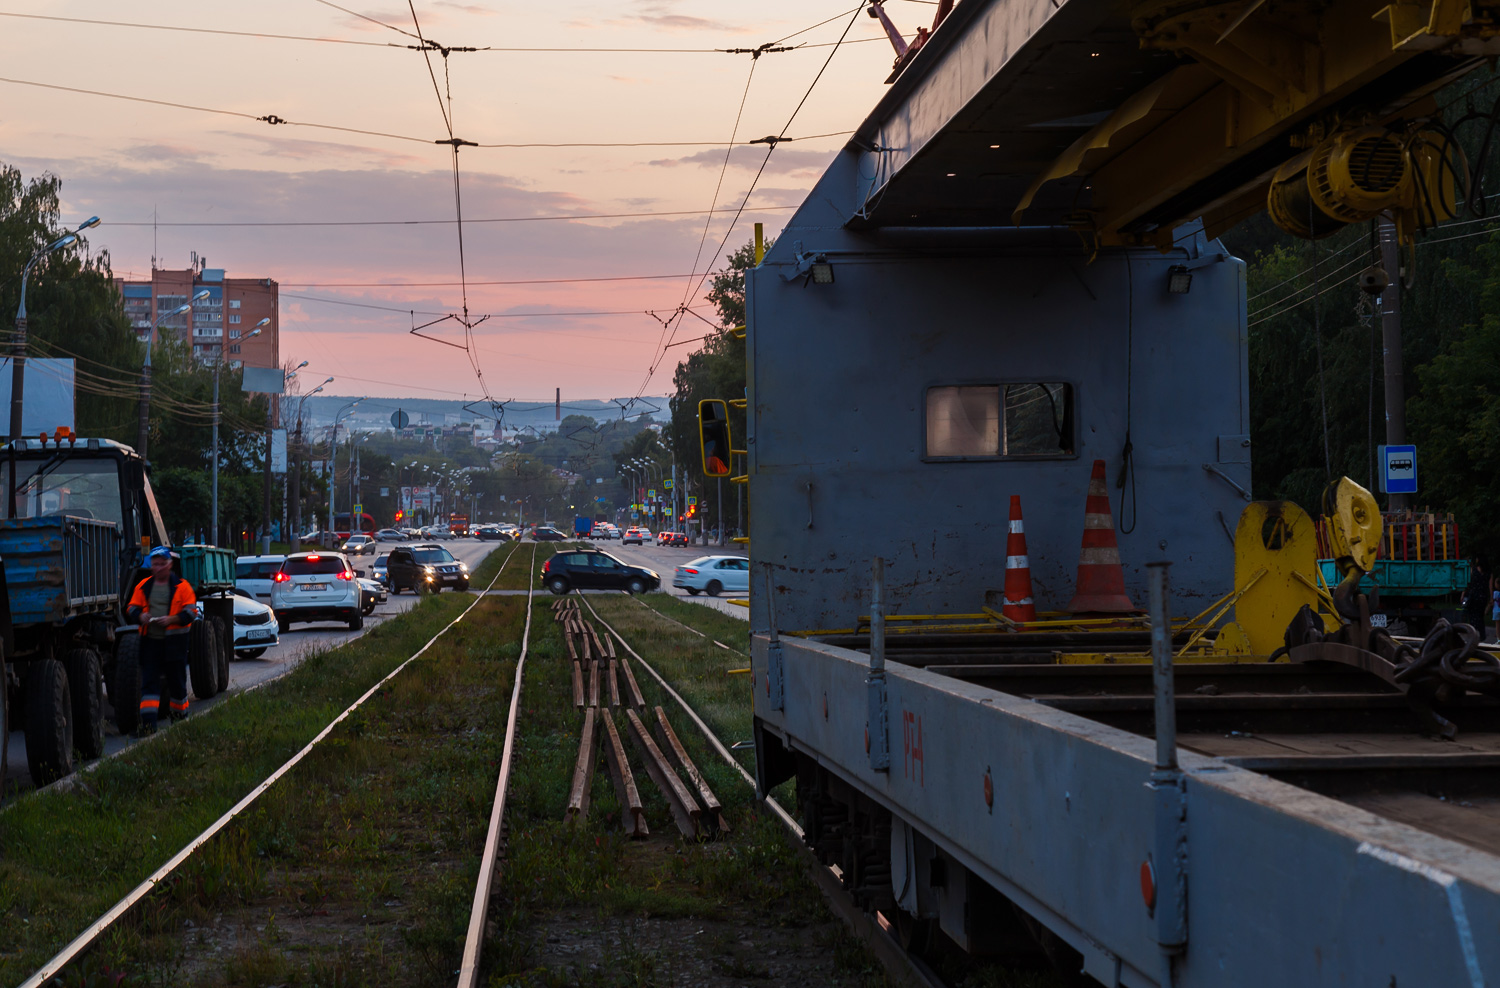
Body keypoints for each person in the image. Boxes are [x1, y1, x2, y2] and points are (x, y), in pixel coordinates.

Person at [126, 546, 198, 734]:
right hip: (151, 643)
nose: (157, 568)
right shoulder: (143, 586)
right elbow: (131, 608)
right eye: (154, 564)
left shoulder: (182, 587)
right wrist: (141, 616)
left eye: (161, 564)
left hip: (175, 645)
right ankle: (149, 726)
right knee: (149, 684)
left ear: (169, 565)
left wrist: (172, 619)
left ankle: (179, 722)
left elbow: (191, 612)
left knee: (177, 684)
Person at [1463, 559, 1489, 632]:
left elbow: (1468, 583)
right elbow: (1489, 586)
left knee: (1472, 616)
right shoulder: (1487, 572)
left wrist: (1463, 594)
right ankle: (1480, 633)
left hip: (1473, 596)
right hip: (1483, 596)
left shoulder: (1473, 571)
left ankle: (1474, 632)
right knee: (1480, 616)